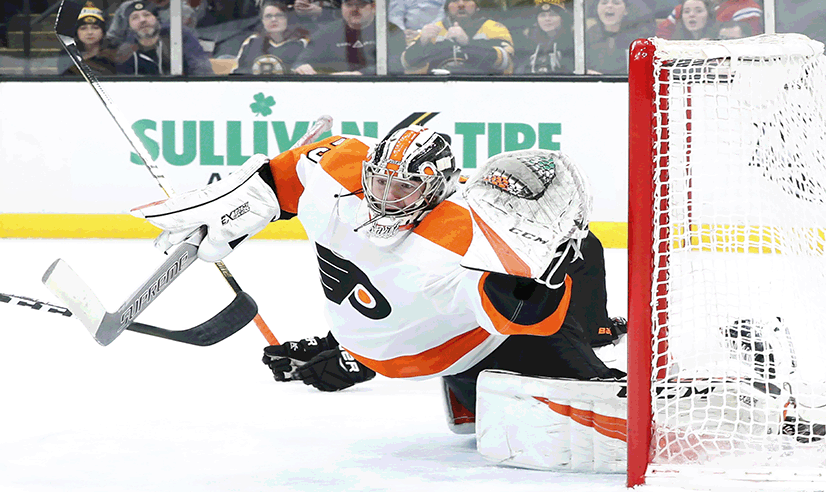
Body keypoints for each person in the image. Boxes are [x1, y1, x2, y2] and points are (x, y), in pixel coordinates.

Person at [132, 126, 627, 427]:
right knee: (580, 249)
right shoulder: (458, 237)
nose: (387, 196)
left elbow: (288, 173)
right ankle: (582, 348)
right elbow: (525, 316)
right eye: (381, 181)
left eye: (403, 187)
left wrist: (247, 204)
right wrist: (549, 271)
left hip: (368, 336)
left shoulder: (337, 171)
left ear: (436, 184)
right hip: (445, 354)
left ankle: (349, 354)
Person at [400, 0, 515, 74]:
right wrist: (421, 43)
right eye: (454, 1)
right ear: (446, 8)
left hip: (485, 90)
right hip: (438, 90)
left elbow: (505, 61)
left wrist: (468, 43)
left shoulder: (493, 27)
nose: (461, 4)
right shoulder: (433, 30)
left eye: (467, 0)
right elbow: (406, 64)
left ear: (477, 6)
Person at [115, 1, 215, 76]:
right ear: (129, 26)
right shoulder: (126, 50)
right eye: (135, 17)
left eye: (147, 15)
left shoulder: (179, 37)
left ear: (157, 18)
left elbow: (202, 71)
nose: (142, 20)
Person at [292, 0, 377, 75]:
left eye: (361, 4)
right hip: (336, 86)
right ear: (342, 7)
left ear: (373, 7)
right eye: (349, 5)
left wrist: (360, 74)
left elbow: (389, 65)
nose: (354, 9)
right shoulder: (327, 32)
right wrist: (302, 67)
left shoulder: (384, 30)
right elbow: (300, 62)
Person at [232, 0, 308, 75]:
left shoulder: (300, 44)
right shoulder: (252, 42)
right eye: (268, 16)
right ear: (263, 21)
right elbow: (238, 72)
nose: (273, 19)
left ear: (286, 19)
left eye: (279, 15)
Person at [585, 0, 654, 75]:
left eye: (616, 3)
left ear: (626, 10)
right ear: (597, 9)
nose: (609, 6)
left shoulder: (638, 39)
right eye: (604, 3)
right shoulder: (588, 35)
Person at [106, 0, 200, 48]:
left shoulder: (183, 10)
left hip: (173, 65)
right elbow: (113, 40)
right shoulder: (127, 8)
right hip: (132, 64)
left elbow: (191, 43)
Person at [514, 0, 573, 74]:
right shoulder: (529, 43)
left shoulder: (573, 42)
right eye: (542, 15)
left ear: (562, 18)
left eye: (553, 15)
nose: (547, 19)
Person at [58, 1, 116, 76]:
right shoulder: (68, 53)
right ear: (76, 32)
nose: (89, 32)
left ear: (103, 32)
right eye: (83, 28)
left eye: (95, 28)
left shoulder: (112, 51)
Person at [656, 0, 762, 39]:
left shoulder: (746, 7)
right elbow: (661, 35)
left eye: (698, 11)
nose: (691, 14)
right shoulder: (683, 7)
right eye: (687, 11)